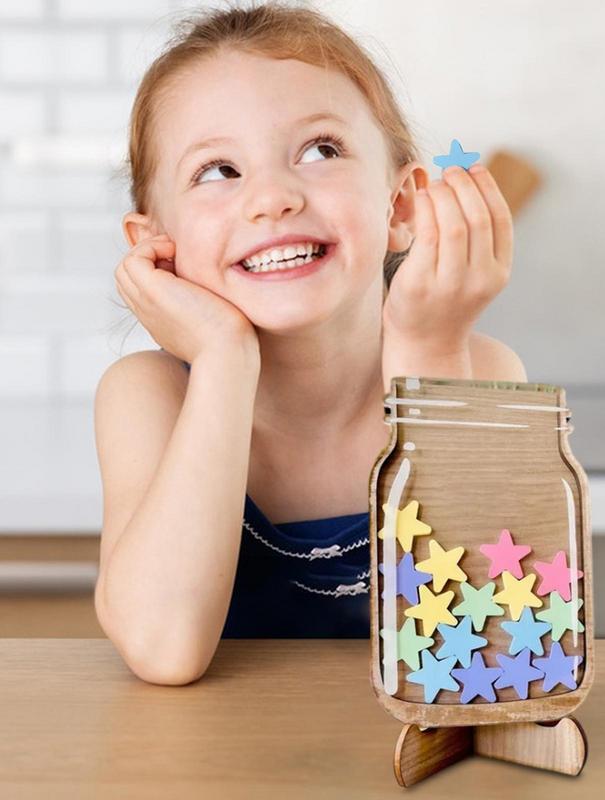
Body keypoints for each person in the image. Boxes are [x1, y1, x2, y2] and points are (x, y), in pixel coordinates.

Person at [93, 1, 528, 685]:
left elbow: (483, 659)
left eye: (320, 150)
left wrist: (427, 357)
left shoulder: (482, 371)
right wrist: (222, 359)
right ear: (156, 246)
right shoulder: (149, 396)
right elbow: (164, 649)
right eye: (217, 170)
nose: (272, 198)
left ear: (401, 205)